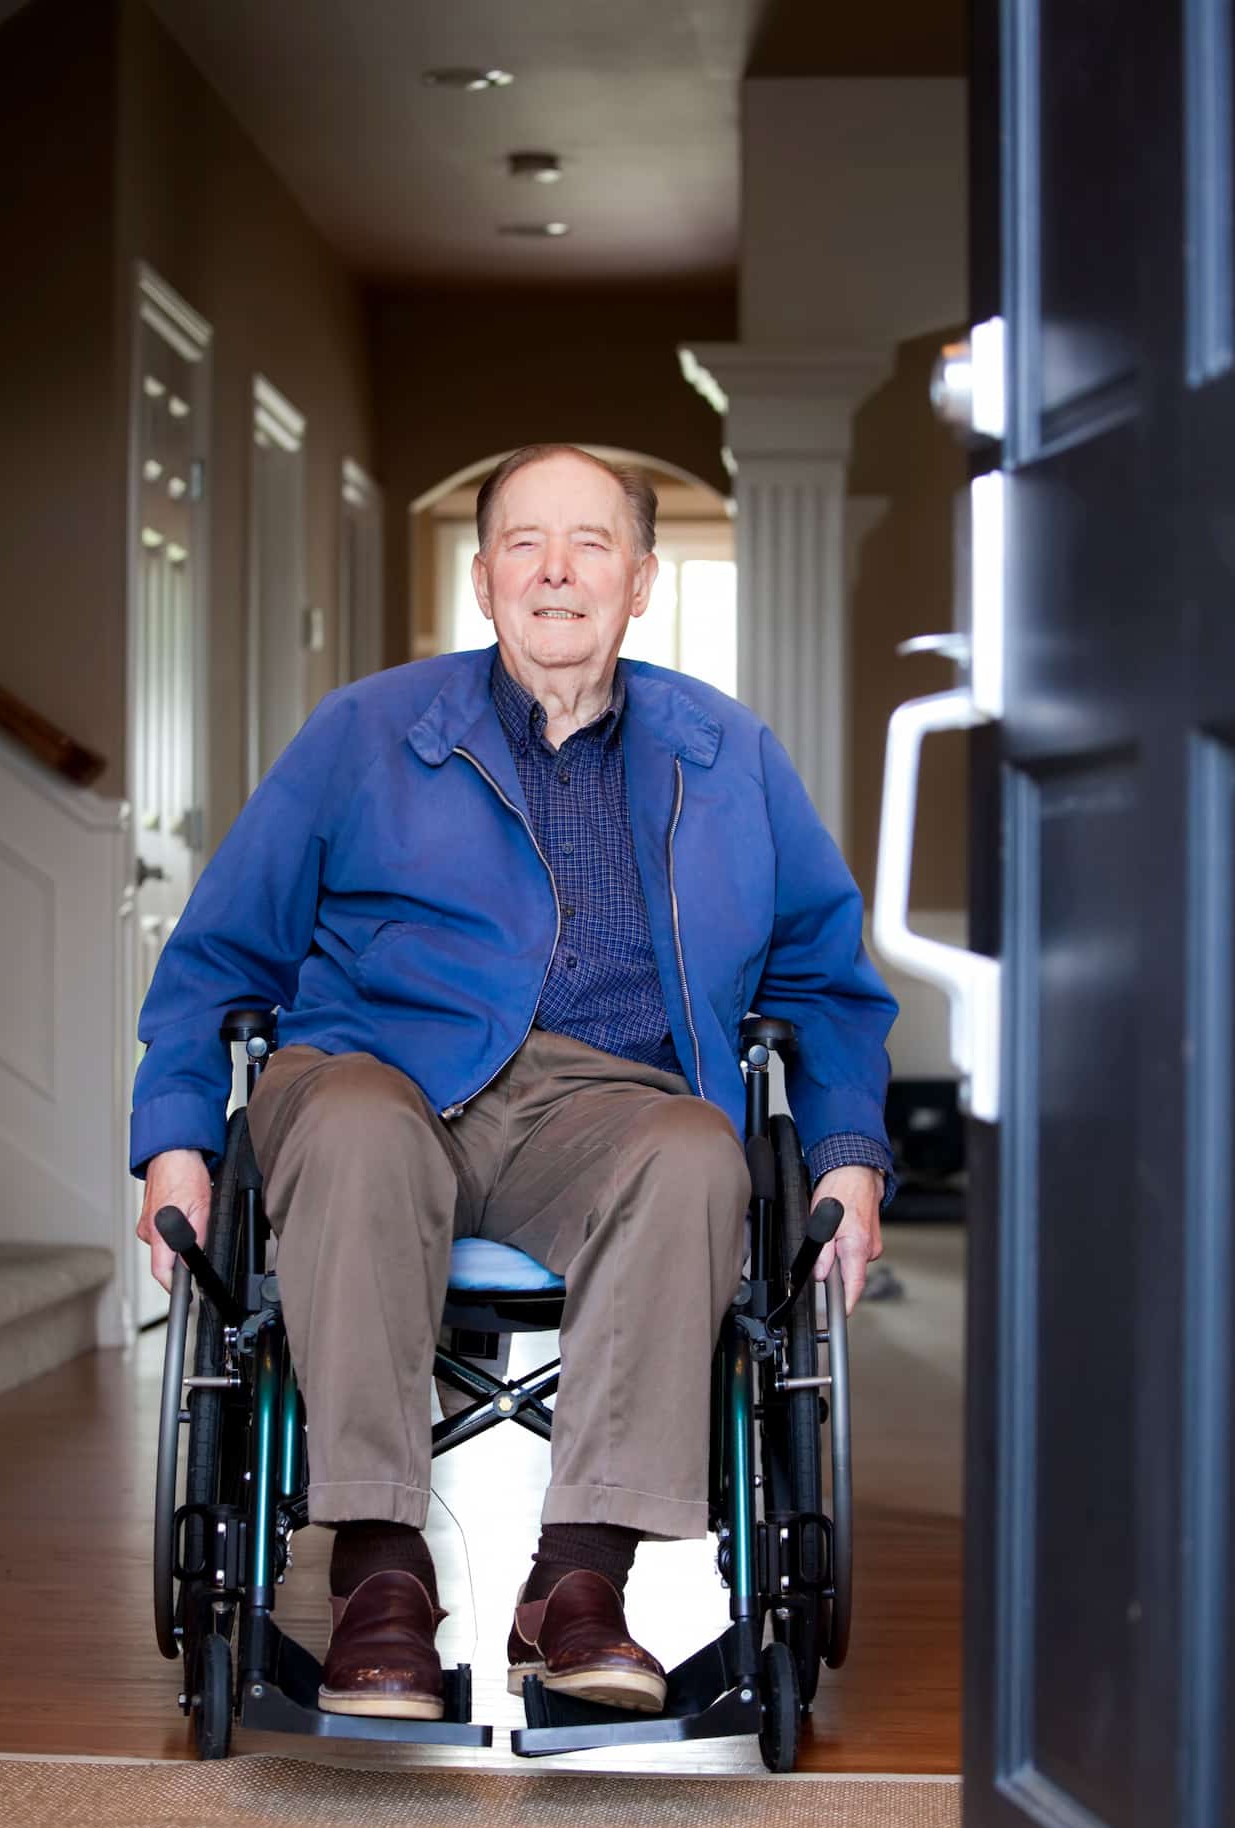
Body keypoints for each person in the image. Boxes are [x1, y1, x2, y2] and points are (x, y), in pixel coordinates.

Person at [132, 443, 897, 1722]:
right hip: (371, 1071)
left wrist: (848, 1161)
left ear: (640, 580)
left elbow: (826, 987)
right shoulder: (365, 733)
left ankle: (577, 1583)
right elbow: (216, 956)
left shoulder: (729, 756)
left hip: (603, 1106)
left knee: (697, 1147)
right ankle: (381, 1577)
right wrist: (175, 1141)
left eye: (592, 543)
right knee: (368, 1130)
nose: (557, 570)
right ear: (483, 581)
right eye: (524, 544)